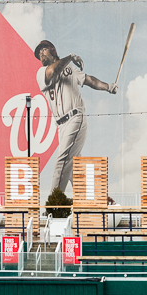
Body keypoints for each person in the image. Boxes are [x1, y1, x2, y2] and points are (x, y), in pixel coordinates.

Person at [34, 39, 118, 196]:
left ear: (52, 49)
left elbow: (90, 80)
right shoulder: (41, 73)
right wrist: (71, 57)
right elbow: (53, 71)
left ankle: (54, 206)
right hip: (61, 125)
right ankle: (96, 202)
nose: (41, 54)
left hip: (75, 117)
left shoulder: (70, 69)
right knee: (75, 169)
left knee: (62, 161)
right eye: (39, 53)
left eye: (43, 50)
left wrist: (108, 87)